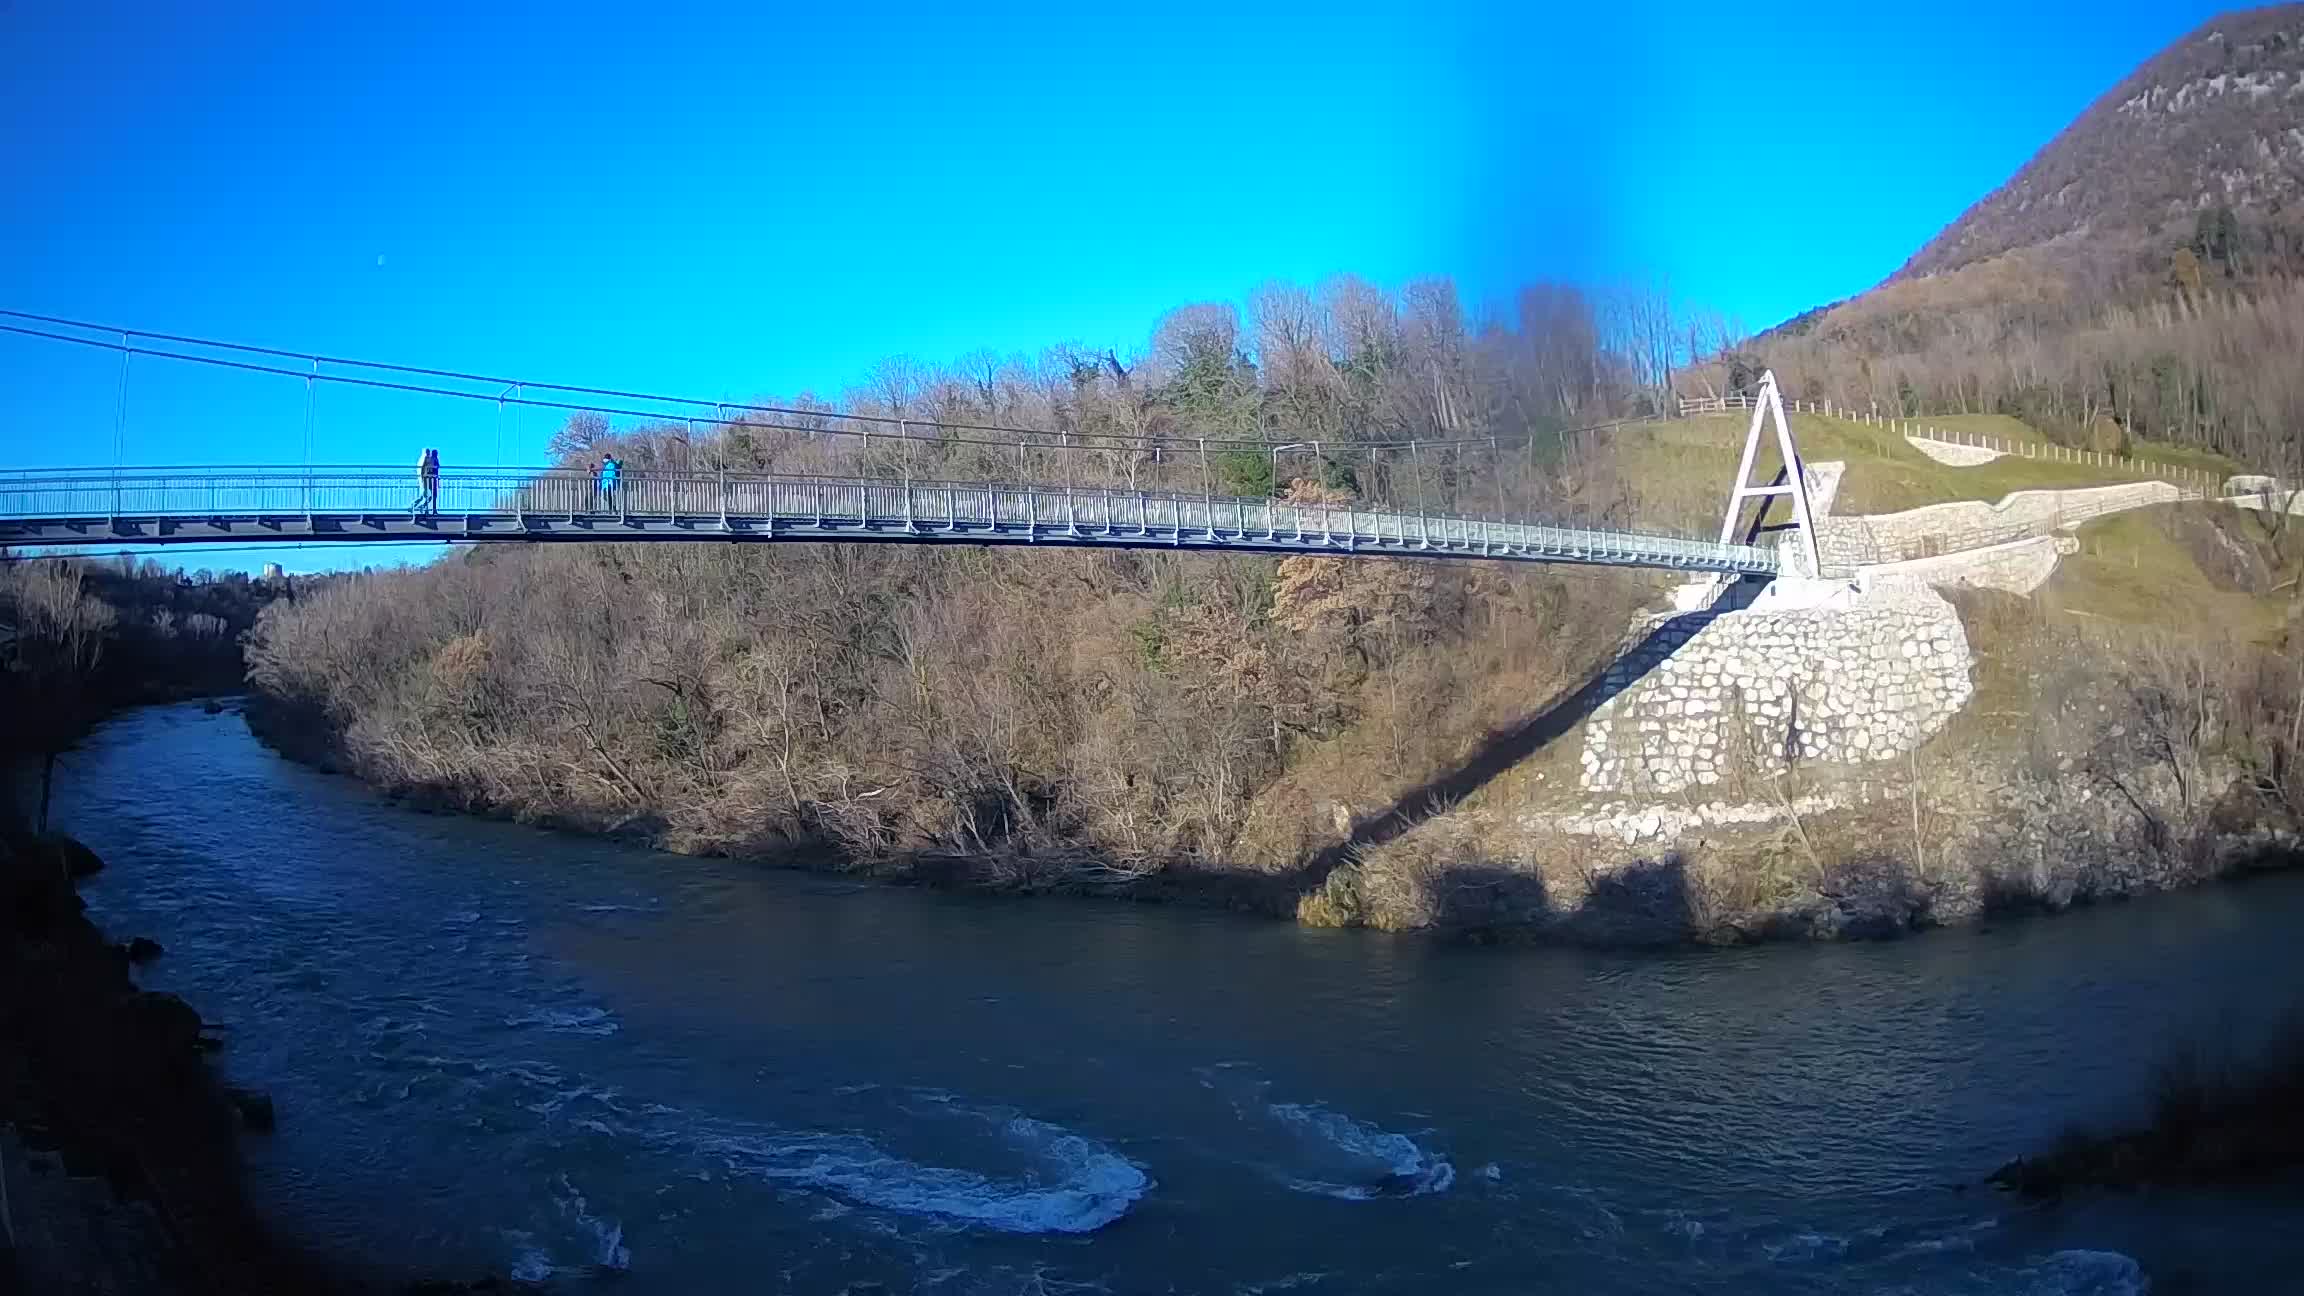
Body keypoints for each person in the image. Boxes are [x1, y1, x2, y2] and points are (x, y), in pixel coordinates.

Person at [411, 447, 440, 516]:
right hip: (426, 480)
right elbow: (423, 469)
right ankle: (414, 506)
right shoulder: (425, 458)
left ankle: (423, 507)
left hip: (431, 479)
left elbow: (436, 468)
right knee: (425, 496)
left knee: (429, 496)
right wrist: (422, 478)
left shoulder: (432, 459)